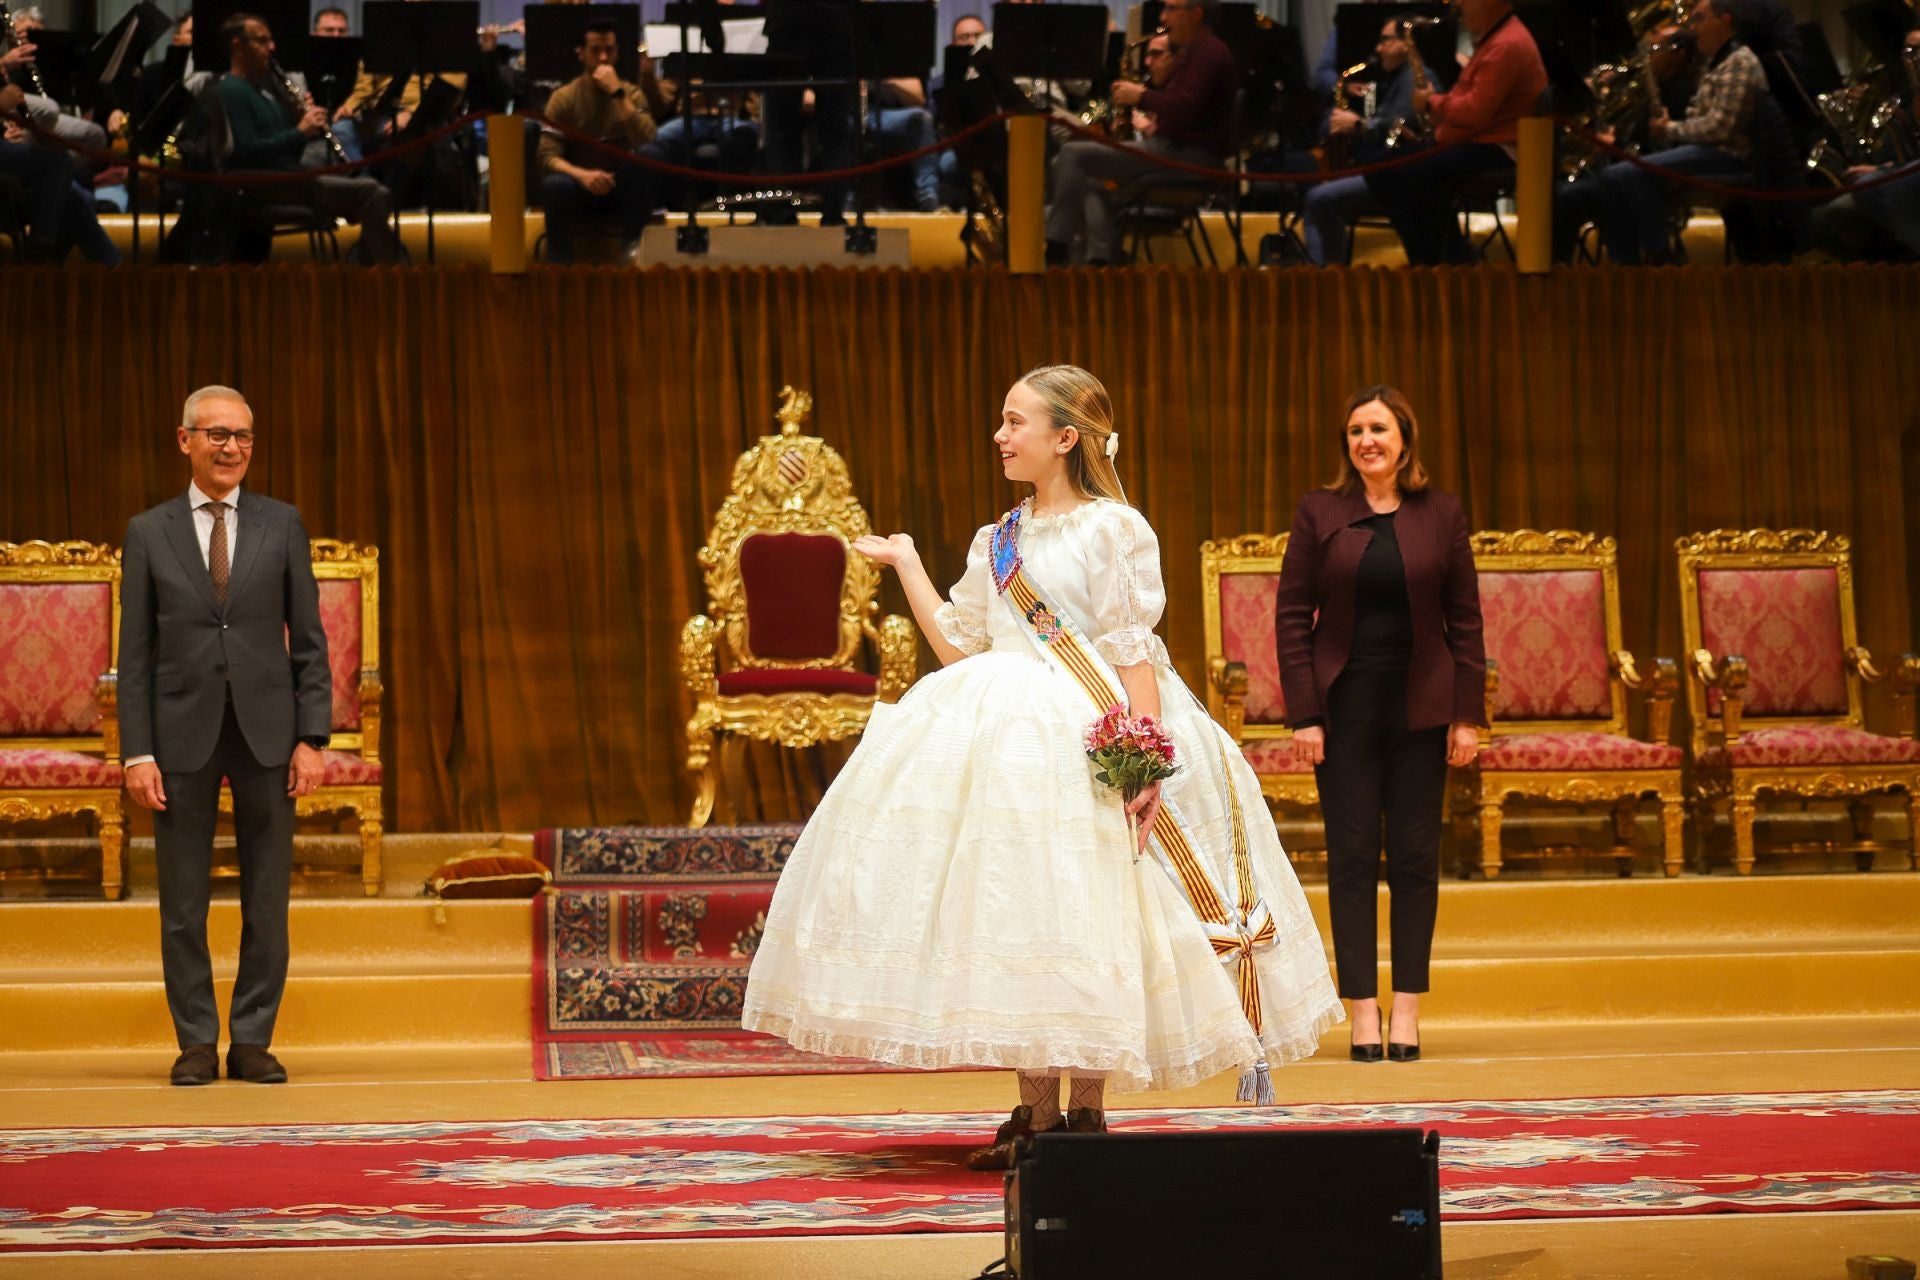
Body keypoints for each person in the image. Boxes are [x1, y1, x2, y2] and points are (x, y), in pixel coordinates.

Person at [742, 365, 1341, 1169]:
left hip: (1093, 740)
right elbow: (961, 648)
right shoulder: (999, 540)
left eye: (1015, 421)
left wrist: (1147, 761)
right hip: (1011, 745)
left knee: (1093, 915)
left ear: (1066, 437)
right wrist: (911, 563)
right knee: (1025, 915)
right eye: (1000, 419)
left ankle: (1086, 1114)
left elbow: (1132, 655)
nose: (1000, 434)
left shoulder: (1113, 529)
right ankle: (1034, 1114)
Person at [119, 387, 332, 1088]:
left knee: (267, 899)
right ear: (185, 441)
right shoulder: (149, 533)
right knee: (183, 902)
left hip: (269, 736)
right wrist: (137, 750)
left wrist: (313, 737)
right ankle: (195, 1044)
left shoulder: (282, 525)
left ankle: (252, 1040)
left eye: (242, 435)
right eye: (216, 434)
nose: (231, 447)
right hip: (178, 737)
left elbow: (308, 640)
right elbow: (137, 654)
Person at [1274, 387, 1485, 1063]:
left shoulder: (1442, 513)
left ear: (1404, 439)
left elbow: (1467, 620)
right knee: (1354, 859)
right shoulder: (1320, 511)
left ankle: (1408, 1012)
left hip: (1423, 709)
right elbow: (1291, 618)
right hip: (1345, 711)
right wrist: (1305, 712)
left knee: (1418, 861)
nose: (1368, 439)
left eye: (1380, 428)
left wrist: (1467, 715)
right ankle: (1362, 1011)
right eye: (1357, 429)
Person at [1559, 0, 1764, 265]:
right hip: (1706, 150)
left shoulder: (1740, 61)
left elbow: (1719, 127)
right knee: (1613, 176)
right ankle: (1625, 265)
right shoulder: (1718, 62)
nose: (1693, 28)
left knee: (1622, 174)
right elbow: (1700, 119)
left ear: (1724, 21)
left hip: (1725, 156)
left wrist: (1668, 127)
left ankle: (1660, 258)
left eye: (1700, 19)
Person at [1044, 0, 1237, 265]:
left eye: (1171, 9)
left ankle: (1054, 250)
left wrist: (1142, 96)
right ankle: (1099, 265)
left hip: (1188, 158)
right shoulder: (1194, 52)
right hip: (1174, 151)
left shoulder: (1210, 52)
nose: (1163, 17)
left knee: (1072, 154)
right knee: (1091, 182)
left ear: (1196, 14)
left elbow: (1184, 108)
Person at [1363, 0, 1546, 264]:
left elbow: (1474, 111)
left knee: (1413, 171)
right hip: (1478, 139)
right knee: (1377, 166)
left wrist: (1431, 102)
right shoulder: (1495, 39)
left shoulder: (1505, 45)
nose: (1458, 4)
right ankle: (1437, 255)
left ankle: (1435, 260)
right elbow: (1469, 101)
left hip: (1497, 148)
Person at [212, 13, 404, 263]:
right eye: (262, 41)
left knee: (376, 192)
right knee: (373, 193)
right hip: (266, 186)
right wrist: (300, 131)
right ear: (237, 45)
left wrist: (300, 121)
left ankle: (368, 264)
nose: (272, 47)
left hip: (288, 178)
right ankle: (382, 272)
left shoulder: (262, 91)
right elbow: (245, 151)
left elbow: (288, 151)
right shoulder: (232, 89)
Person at [537, 20, 658, 263]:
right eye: (595, 50)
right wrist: (582, 175)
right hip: (578, 186)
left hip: (620, 186)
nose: (603, 58)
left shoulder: (630, 93)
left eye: (609, 50)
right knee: (554, 185)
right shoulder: (563, 97)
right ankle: (561, 271)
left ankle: (632, 256)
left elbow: (647, 139)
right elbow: (546, 155)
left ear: (617, 53)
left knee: (646, 163)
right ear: (581, 54)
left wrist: (617, 94)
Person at [1300, 17, 1416, 266]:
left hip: (1397, 175)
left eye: (1385, 40)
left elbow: (1402, 123)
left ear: (1406, 44)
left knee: (1317, 200)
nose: (1378, 48)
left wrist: (1358, 124)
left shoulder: (1414, 77)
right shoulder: (1397, 78)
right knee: (1317, 193)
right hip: (1389, 169)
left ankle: (1328, 281)